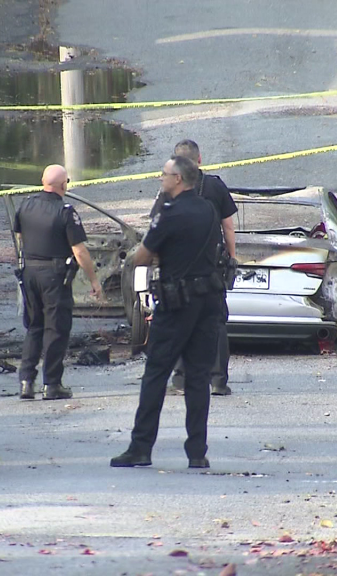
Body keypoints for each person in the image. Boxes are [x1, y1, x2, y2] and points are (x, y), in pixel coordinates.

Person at [111, 155, 227, 470]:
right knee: (199, 377)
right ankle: (197, 453)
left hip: (177, 304)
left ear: (178, 179)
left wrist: (153, 256)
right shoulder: (207, 208)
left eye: (163, 175)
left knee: (156, 374)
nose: (161, 179)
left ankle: (140, 448)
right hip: (208, 301)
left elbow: (142, 257)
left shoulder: (169, 213)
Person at [151, 139, 237, 396]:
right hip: (211, 266)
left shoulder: (169, 189)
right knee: (216, 322)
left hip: (178, 267)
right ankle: (218, 380)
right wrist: (232, 257)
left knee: (178, 319)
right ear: (199, 160)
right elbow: (228, 226)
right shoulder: (215, 186)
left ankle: (180, 379)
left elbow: (156, 226)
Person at [14, 164, 103, 401]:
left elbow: (20, 236)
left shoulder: (26, 204)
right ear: (63, 185)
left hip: (29, 273)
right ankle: (52, 384)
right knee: (56, 329)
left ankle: (26, 381)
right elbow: (80, 251)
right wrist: (94, 280)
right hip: (55, 276)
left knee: (34, 327)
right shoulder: (65, 211)